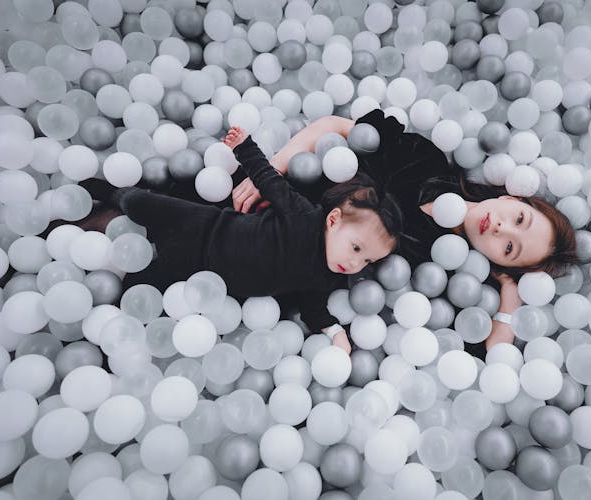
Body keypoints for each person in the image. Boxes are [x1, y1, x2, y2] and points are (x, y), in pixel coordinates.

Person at [230, 109, 579, 353]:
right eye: (519, 219)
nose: (501, 228)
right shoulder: (425, 161)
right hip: (252, 193)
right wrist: (274, 168)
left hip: (264, 262)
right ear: (513, 196)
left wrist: (510, 289)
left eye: (509, 248)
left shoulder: (436, 268)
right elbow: (334, 127)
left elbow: (495, 351)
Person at [81, 126, 405, 354]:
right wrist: (244, 146)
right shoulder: (304, 216)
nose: (354, 263)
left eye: (366, 262)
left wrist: (335, 333)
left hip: (203, 276)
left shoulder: (323, 277)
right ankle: (113, 193)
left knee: (146, 286)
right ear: (333, 221)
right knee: (144, 205)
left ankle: (105, 311)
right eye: (357, 248)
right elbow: (270, 182)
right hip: (205, 226)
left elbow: (313, 309)